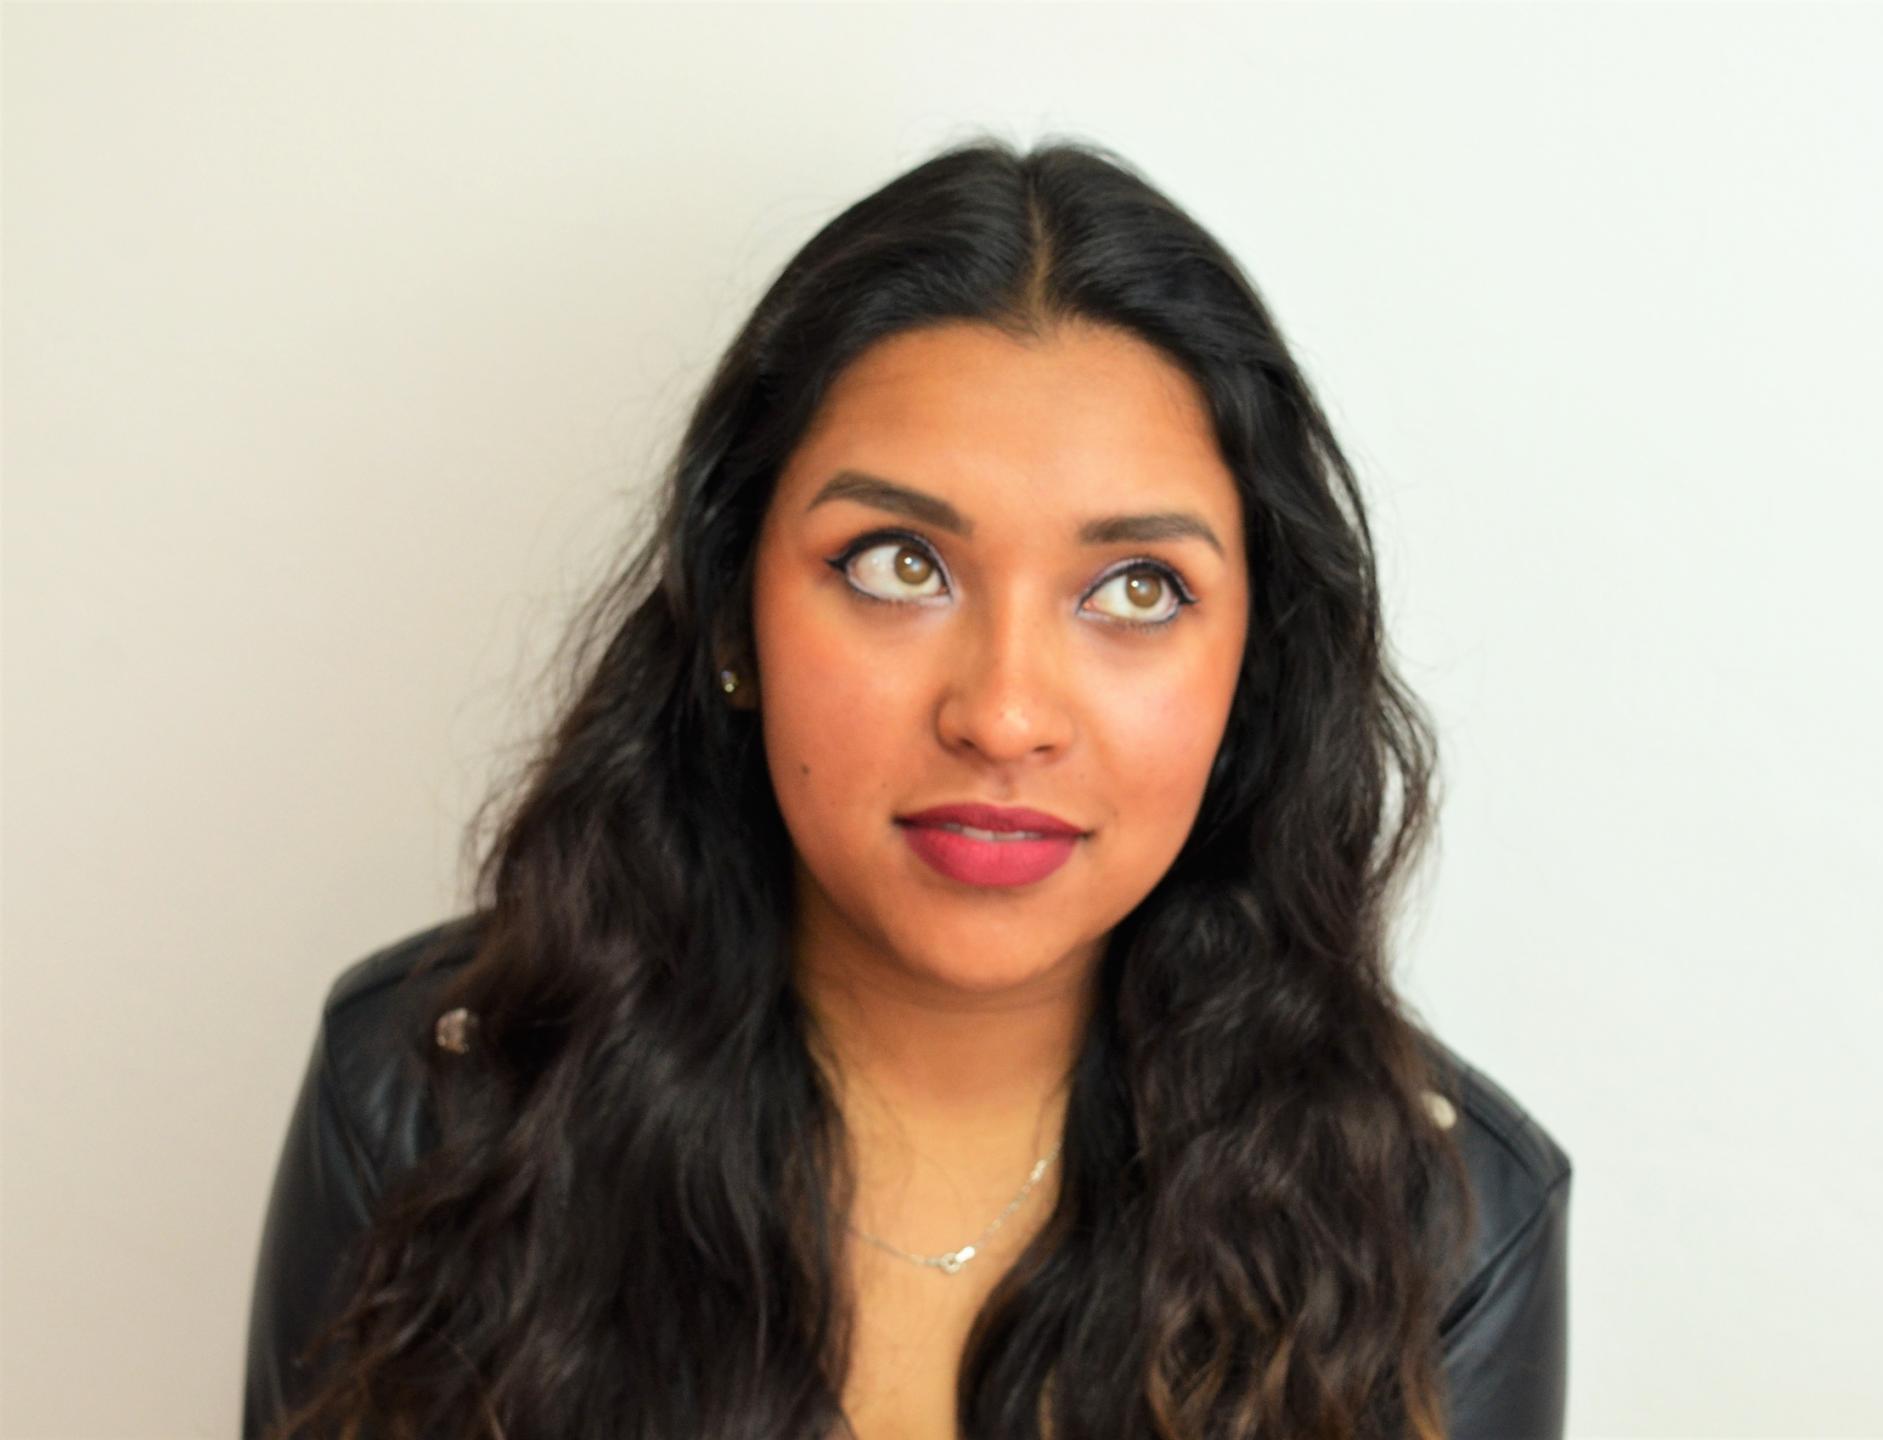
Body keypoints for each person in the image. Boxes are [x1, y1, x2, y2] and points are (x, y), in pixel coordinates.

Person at [242, 135, 1572, 1440]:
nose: (1002, 715)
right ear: (731, 617)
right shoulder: (434, 1102)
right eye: (897, 565)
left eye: (1136, 589)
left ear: (1254, 673)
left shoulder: (1447, 1228)